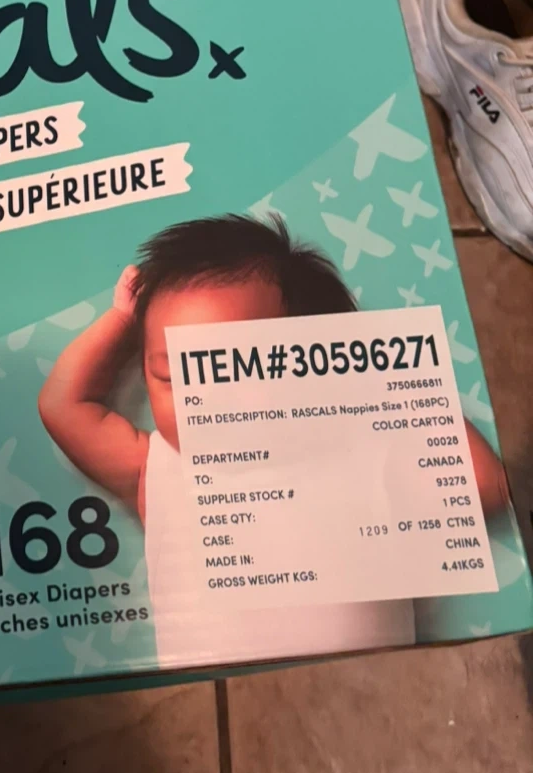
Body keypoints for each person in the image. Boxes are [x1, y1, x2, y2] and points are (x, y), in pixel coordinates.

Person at [38, 214, 507, 668]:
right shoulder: (156, 468)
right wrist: (122, 320)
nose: (204, 398)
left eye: (234, 369)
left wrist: (374, 371)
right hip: (209, 696)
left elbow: (484, 485)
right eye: (172, 376)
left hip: (371, 694)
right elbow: (63, 405)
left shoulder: (362, 454)